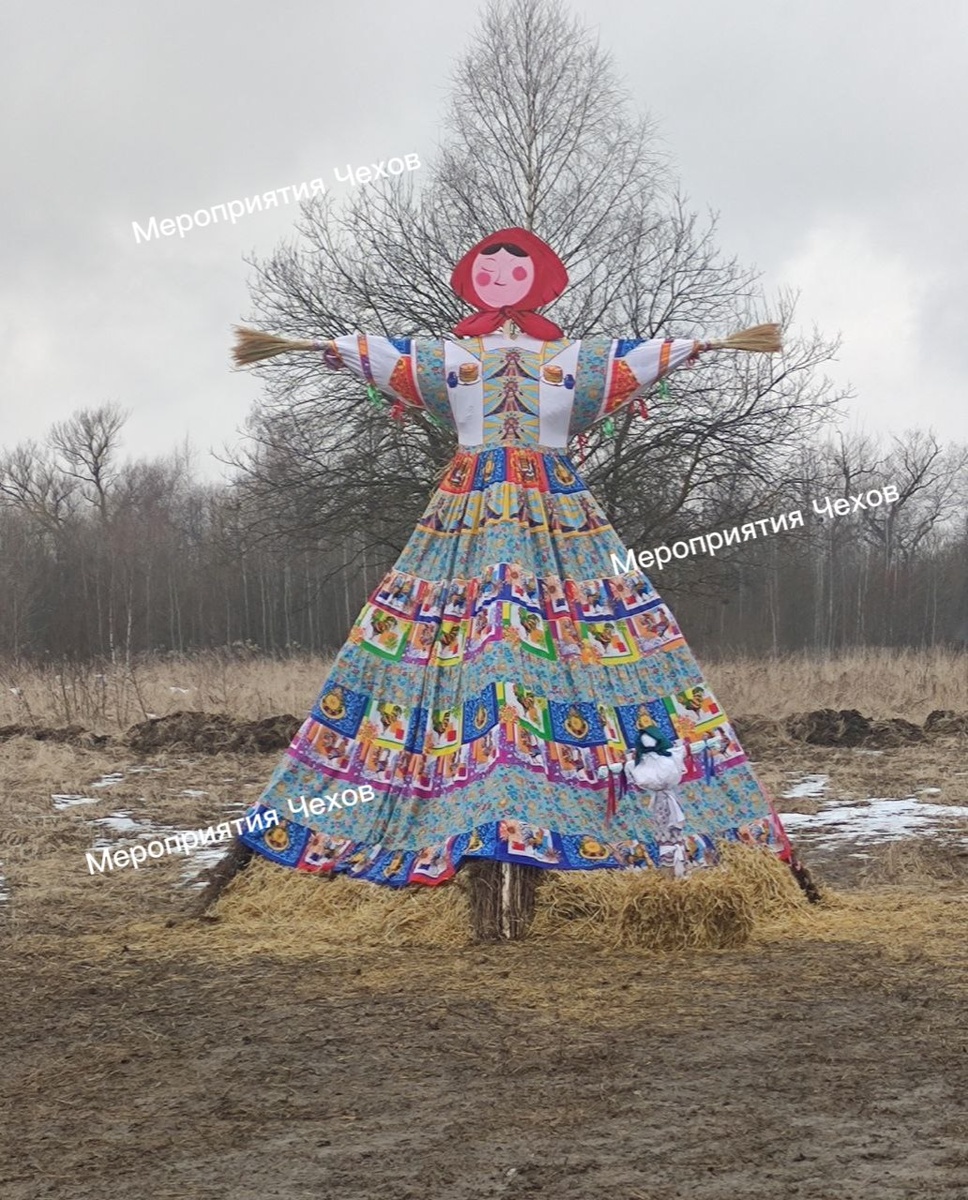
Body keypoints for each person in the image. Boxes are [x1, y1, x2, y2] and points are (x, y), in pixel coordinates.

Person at [233, 227, 791, 886]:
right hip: (485, 514)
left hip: (540, 515)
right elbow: (393, 357)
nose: (500, 276)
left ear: (539, 278)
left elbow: (626, 361)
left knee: (534, 632)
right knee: (501, 634)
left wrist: (693, 347)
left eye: (514, 267)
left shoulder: (556, 360)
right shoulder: (475, 358)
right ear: (473, 277)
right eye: (489, 267)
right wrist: (335, 347)